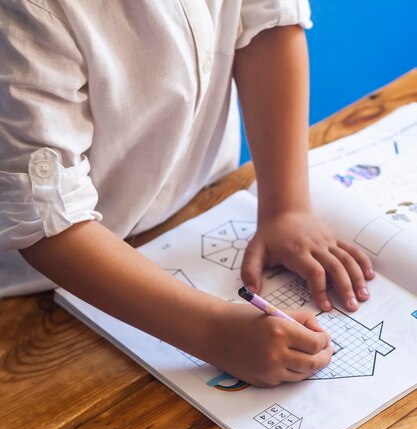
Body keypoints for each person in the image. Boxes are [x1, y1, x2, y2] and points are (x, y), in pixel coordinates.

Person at [0, 1, 374, 387]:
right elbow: (42, 216)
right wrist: (216, 333)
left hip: (195, 200)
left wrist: (286, 206)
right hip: (54, 275)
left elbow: (267, 23)